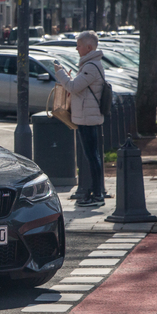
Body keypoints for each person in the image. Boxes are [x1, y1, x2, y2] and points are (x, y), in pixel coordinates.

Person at [53, 30, 105, 207]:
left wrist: (60, 73)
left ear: (89, 47)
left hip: (88, 117)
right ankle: (95, 192)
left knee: (92, 156)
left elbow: (74, 87)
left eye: (79, 45)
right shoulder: (89, 65)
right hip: (86, 115)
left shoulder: (91, 67)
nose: (77, 48)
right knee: (92, 156)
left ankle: (97, 194)